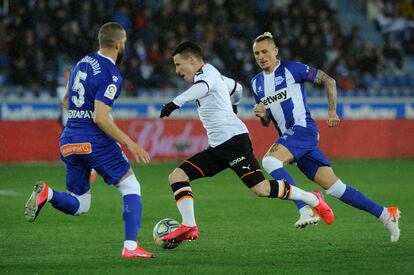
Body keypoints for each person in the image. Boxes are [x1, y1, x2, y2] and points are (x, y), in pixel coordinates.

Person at [159, 41, 334, 244]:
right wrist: (233, 107)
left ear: (192, 60)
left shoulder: (206, 75)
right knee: (178, 176)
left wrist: (175, 103)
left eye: (179, 64)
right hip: (218, 147)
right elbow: (237, 88)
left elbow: (203, 88)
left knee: (261, 189)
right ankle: (189, 226)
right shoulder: (215, 76)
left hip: (234, 143)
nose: (177, 70)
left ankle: (313, 199)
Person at [250, 32, 400, 241]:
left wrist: (332, 111)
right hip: (292, 139)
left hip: (303, 130)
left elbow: (329, 81)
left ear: (275, 51)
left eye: (265, 51)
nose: (260, 56)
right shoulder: (256, 83)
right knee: (336, 188)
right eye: (256, 53)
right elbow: (267, 120)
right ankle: (387, 214)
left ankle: (306, 208)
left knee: (270, 160)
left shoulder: (292, 69)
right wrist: (262, 115)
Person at [24, 22, 154, 258]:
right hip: (93, 139)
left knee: (80, 204)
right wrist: (130, 143)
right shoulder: (111, 74)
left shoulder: (81, 63)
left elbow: (65, 101)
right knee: (130, 185)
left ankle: (48, 194)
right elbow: (101, 118)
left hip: (69, 139)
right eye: (124, 44)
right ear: (118, 44)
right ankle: (131, 248)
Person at [56, 65, 97, 184]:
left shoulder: (82, 88)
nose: (67, 76)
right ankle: (75, 171)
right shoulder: (60, 90)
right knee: (68, 151)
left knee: (84, 147)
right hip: (66, 124)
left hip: (79, 122)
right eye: (66, 74)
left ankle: (91, 170)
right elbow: (61, 107)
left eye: (69, 73)